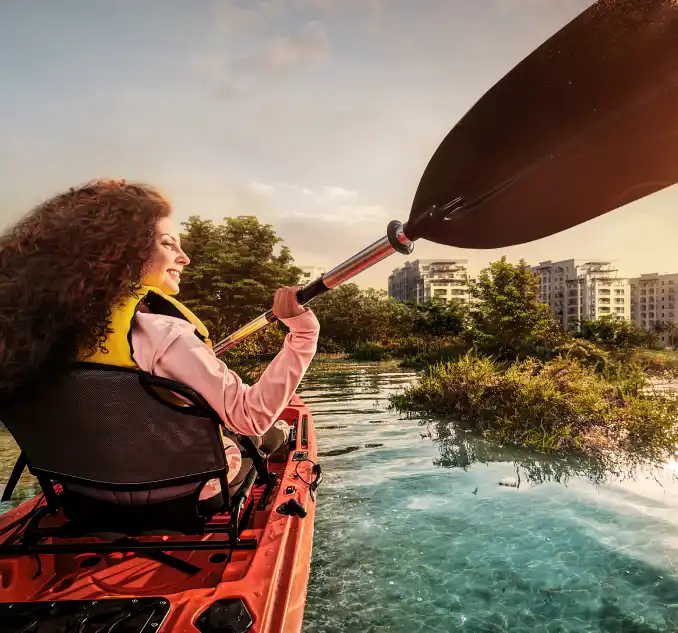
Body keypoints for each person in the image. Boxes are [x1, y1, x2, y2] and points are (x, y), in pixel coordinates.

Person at [0, 179, 320, 499]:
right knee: (248, 431)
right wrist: (303, 335)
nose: (184, 257)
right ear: (120, 251)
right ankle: (275, 437)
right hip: (180, 492)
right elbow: (250, 415)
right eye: (169, 244)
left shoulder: (31, 340)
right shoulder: (162, 334)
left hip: (85, 491)